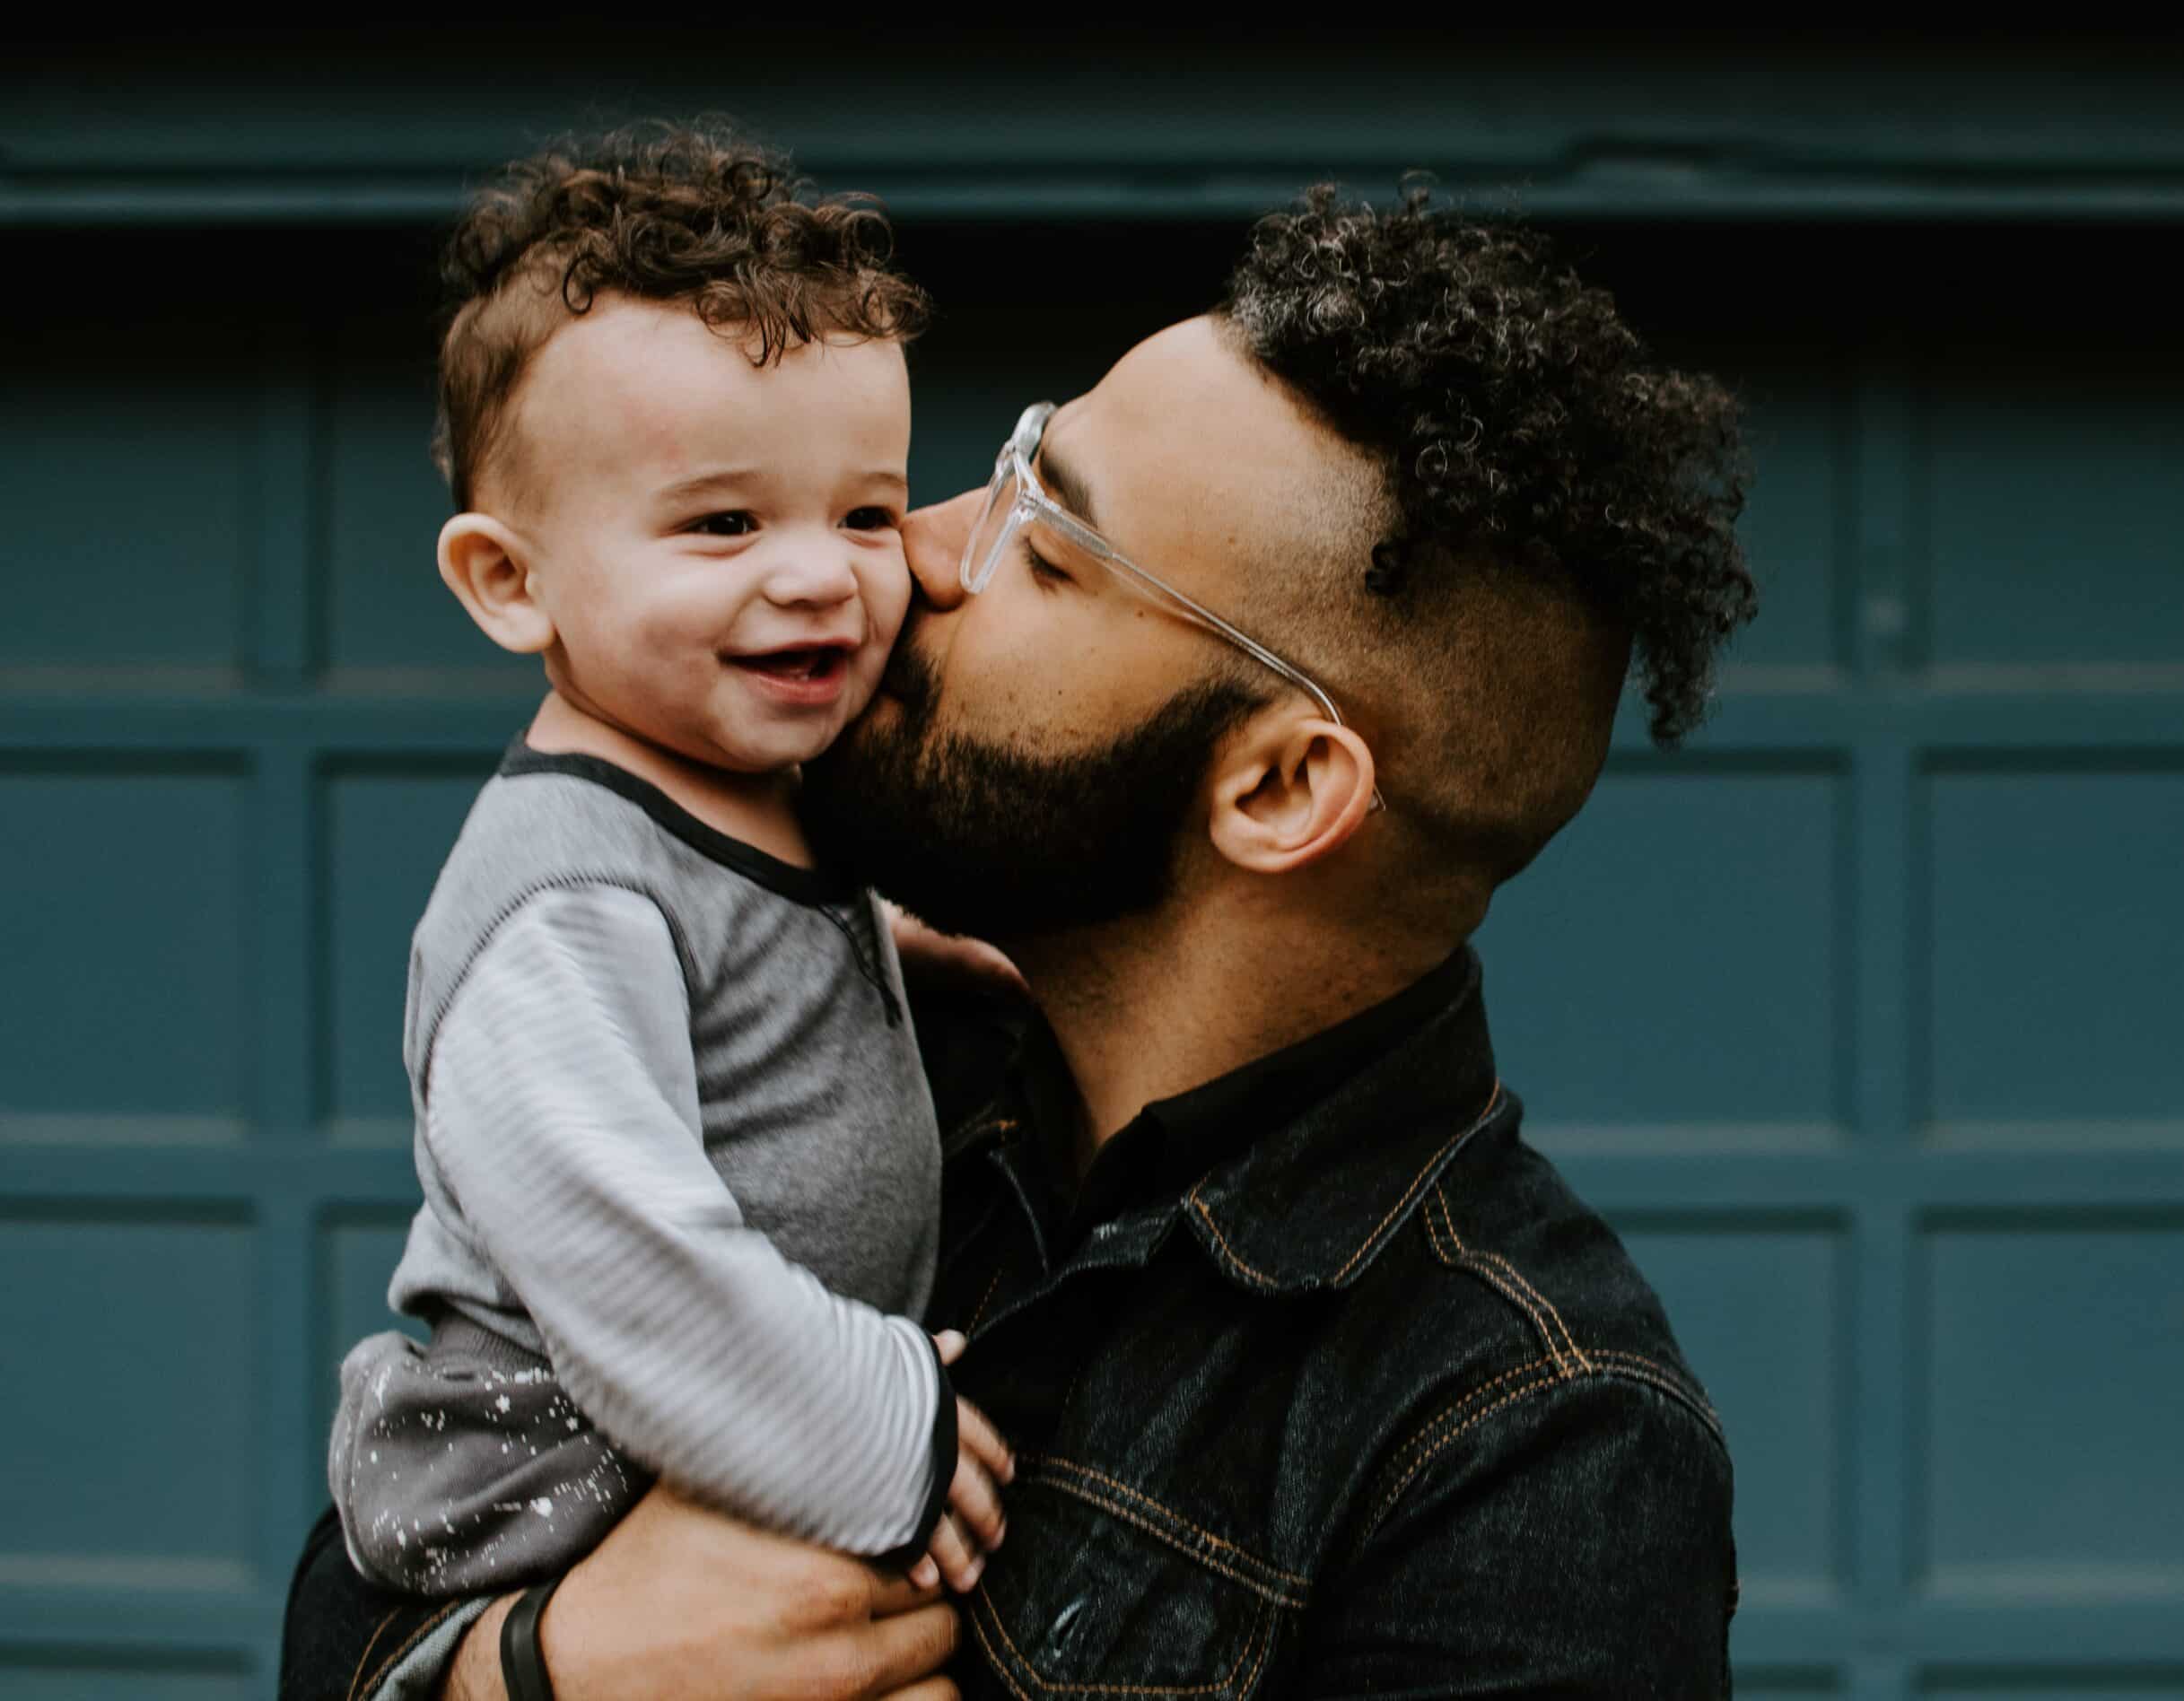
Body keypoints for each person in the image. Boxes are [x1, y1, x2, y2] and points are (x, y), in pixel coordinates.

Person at [283, 171, 1758, 1698]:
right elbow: (368, 1567)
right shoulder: (841, 1045)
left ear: (1279, 785)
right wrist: (533, 1673)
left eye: (1047, 551)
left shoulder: (1531, 1442)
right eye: (1003, 475)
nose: (906, 554)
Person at [323, 122, 1009, 1612]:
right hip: (553, 1476)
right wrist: (879, 1430)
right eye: (722, 523)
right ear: (512, 582)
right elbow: (623, 1253)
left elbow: (745, 955)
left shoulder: (751, 789)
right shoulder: (565, 903)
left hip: (711, 1441)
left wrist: (894, 947)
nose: (820, 571)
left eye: (867, 513)